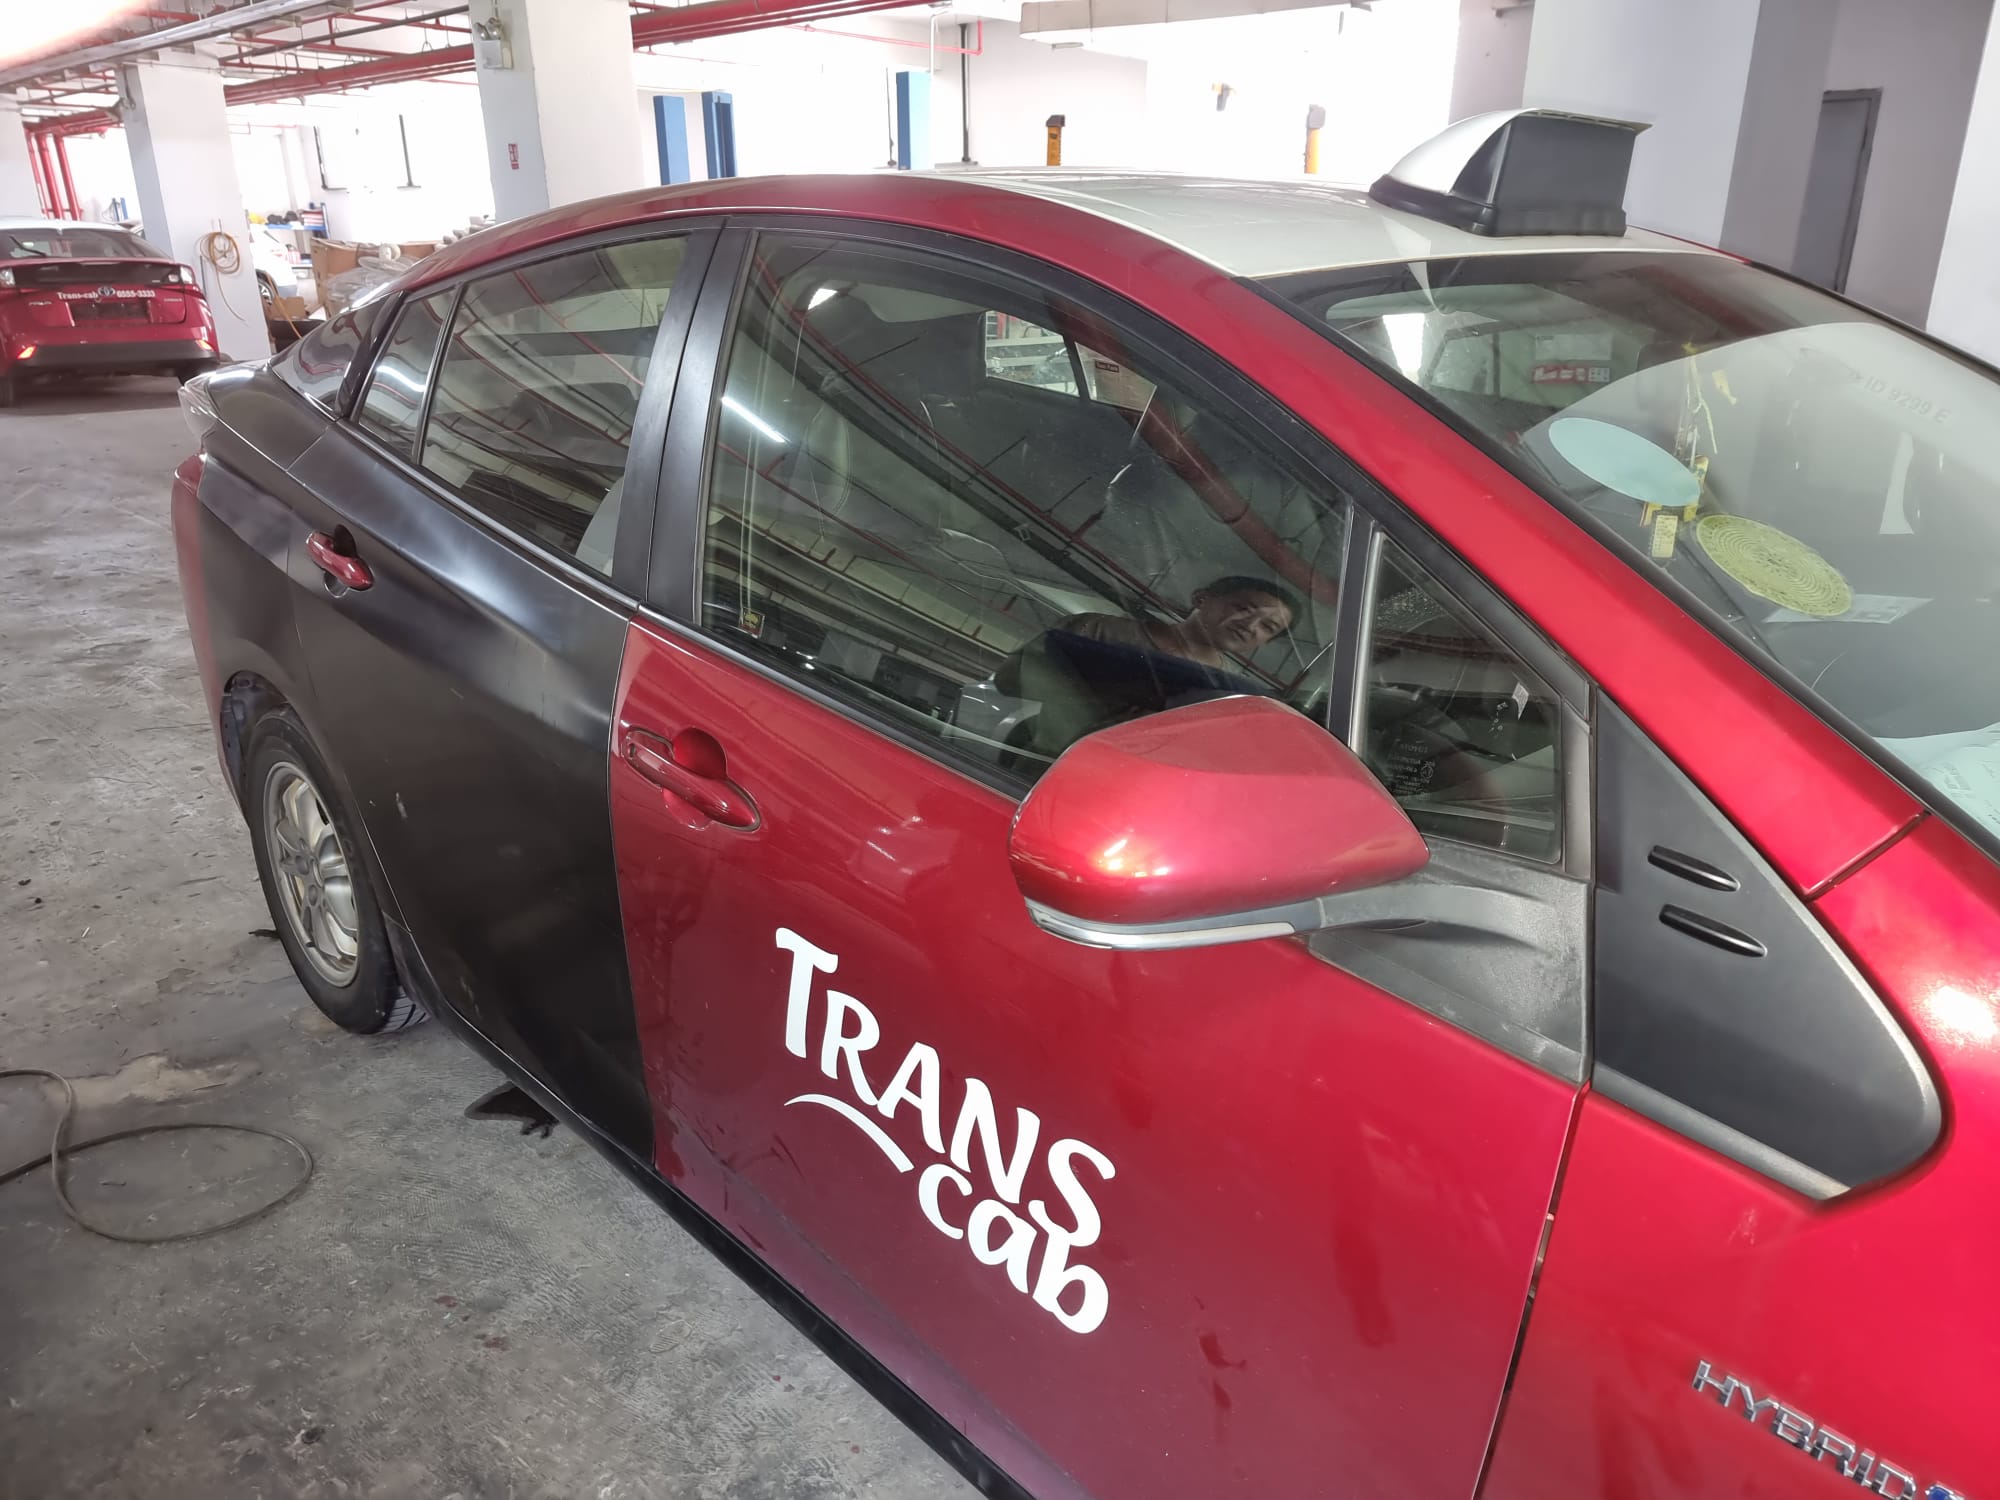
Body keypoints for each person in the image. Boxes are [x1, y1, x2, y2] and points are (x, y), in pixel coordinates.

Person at [1057, 575, 1299, 669]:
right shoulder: (1098, 630)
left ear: (1267, 642)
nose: (1249, 625)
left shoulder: (1226, 695)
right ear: (1201, 598)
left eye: (1268, 627)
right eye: (1244, 608)